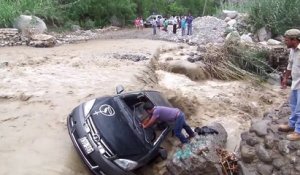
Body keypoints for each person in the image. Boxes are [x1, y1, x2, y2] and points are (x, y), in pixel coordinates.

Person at [279, 29, 300, 141]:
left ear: (294, 40)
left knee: (299, 109)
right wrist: (286, 78)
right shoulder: (292, 50)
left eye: (286, 40)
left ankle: (298, 131)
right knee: (293, 105)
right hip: (296, 83)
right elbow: (290, 65)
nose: (285, 42)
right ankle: (291, 125)